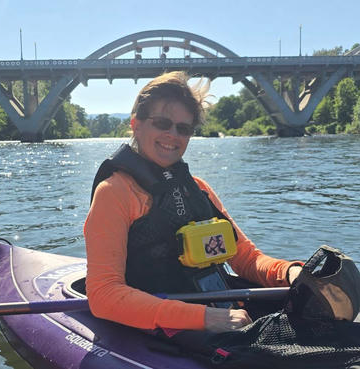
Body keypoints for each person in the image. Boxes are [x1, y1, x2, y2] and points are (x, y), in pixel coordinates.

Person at [83, 71, 302, 333]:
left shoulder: (198, 189)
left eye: (183, 128)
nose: (173, 135)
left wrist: (289, 273)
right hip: (163, 329)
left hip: (223, 315)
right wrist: (205, 318)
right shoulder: (114, 193)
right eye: (162, 123)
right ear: (136, 124)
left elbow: (245, 258)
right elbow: (104, 295)